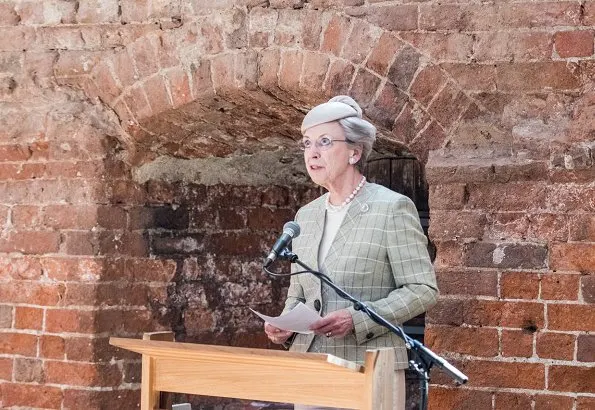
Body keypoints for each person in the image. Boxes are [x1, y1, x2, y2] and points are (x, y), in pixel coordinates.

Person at [264, 96, 438, 409]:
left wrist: (356, 319)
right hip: (311, 369)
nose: (312, 153)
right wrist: (285, 323)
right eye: (307, 143)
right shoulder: (306, 215)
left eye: (325, 142)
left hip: (369, 368)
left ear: (355, 152)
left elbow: (422, 290)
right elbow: (299, 292)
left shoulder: (392, 208)